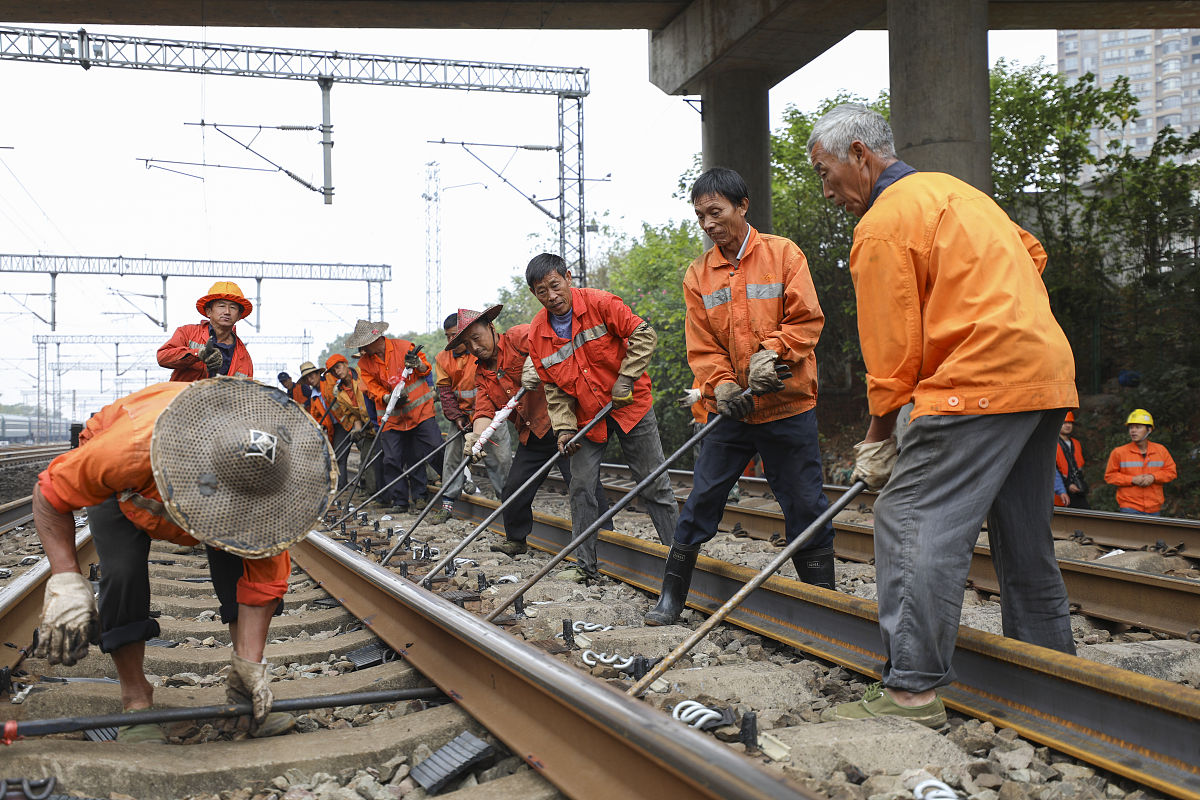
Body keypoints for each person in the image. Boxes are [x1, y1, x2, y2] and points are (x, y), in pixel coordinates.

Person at [808, 103, 1078, 727]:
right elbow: (1031, 255)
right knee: (1022, 534)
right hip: (1042, 373)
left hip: (979, 380)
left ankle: (911, 693)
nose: (827, 190)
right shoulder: (961, 194)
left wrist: (880, 437)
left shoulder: (883, 222)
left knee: (908, 518)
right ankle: (1056, 679)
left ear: (859, 154)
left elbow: (891, 348)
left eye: (825, 172)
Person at [31, 378, 336, 742]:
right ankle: (135, 700)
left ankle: (241, 699)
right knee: (123, 572)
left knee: (239, 562)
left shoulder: (271, 496)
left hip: (220, 486)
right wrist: (66, 578)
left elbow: (260, 585)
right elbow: (49, 494)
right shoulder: (129, 447)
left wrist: (250, 669)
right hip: (126, 492)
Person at [644, 166, 834, 627]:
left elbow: (806, 319)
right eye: (700, 216)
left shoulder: (784, 254)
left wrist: (773, 352)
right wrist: (723, 385)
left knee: (805, 503)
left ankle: (825, 605)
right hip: (731, 413)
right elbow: (703, 346)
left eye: (716, 212)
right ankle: (673, 596)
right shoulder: (698, 275)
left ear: (742, 206)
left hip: (788, 407)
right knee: (702, 498)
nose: (708, 224)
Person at [524, 253, 678, 581]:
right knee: (581, 487)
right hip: (585, 416)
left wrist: (626, 377)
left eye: (555, 285)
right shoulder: (537, 335)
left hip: (630, 404)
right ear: (535, 295)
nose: (551, 296)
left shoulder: (601, 303)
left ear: (567, 277)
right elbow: (554, 389)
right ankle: (585, 567)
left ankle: (680, 562)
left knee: (654, 484)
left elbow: (644, 335)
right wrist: (564, 429)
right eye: (541, 291)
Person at [448, 305, 575, 557]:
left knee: (581, 484)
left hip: (563, 423)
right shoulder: (483, 373)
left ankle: (604, 537)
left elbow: (553, 341)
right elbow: (484, 411)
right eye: (467, 344)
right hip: (533, 433)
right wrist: (477, 438)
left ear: (492, 328)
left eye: (476, 338)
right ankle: (516, 540)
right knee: (513, 489)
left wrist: (534, 361)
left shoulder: (518, 337)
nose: (474, 347)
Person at [350, 319, 440, 514]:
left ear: (375, 339)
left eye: (364, 344)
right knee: (391, 459)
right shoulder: (365, 363)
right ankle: (400, 500)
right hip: (391, 418)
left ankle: (422, 496)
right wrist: (386, 396)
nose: (362, 348)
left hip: (419, 411)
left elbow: (426, 368)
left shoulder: (404, 347)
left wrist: (418, 365)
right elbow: (371, 387)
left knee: (425, 451)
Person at [430, 313, 511, 525]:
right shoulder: (442, 358)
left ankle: (508, 505)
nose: (451, 341)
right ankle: (447, 504)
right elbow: (445, 392)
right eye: (448, 336)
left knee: (501, 460)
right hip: (462, 418)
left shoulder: (481, 352)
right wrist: (456, 417)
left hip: (491, 417)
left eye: (455, 336)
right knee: (453, 460)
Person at [157, 281, 254, 381]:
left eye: (233, 307)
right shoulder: (187, 333)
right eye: (221, 306)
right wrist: (197, 354)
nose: (227, 312)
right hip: (184, 395)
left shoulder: (244, 358)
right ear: (208, 311)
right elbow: (162, 357)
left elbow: (247, 391)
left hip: (218, 397)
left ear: (238, 316)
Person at [1104, 409, 1177, 516]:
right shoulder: (1119, 452)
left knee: (1152, 533)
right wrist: (1132, 480)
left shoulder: (1161, 450)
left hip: (1154, 507)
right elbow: (1110, 476)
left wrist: (1153, 477)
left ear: (1149, 430)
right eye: (1131, 427)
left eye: (1138, 427)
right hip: (1129, 506)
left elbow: (1171, 472)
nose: (1133, 431)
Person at [322, 354, 372, 492]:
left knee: (388, 457)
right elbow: (350, 413)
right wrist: (357, 427)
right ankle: (370, 491)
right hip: (362, 425)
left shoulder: (361, 374)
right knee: (368, 460)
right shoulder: (339, 391)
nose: (337, 372)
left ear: (345, 363)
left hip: (378, 420)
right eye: (333, 371)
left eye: (338, 367)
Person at [1055, 411, 1089, 509]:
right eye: (1064, 423)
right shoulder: (1053, 445)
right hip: (1061, 491)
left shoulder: (1076, 443)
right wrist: (1067, 485)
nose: (1068, 425)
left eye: (1070, 423)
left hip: (1077, 489)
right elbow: (1052, 471)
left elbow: (1080, 467)